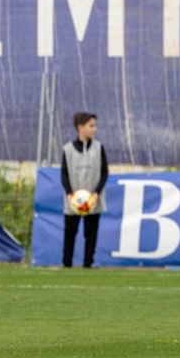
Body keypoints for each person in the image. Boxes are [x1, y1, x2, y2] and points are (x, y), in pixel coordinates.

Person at [59, 111, 108, 269]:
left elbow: (104, 172)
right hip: (74, 200)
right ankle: (67, 264)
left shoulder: (99, 148)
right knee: (70, 233)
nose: (94, 129)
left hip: (92, 200)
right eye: (91, 126)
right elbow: (64, 174)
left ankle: (88, 264)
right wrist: (69, 194)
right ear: (80, 127)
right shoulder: (68, 149)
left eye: (95, 126)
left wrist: (96, 193)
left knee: (91, 233)